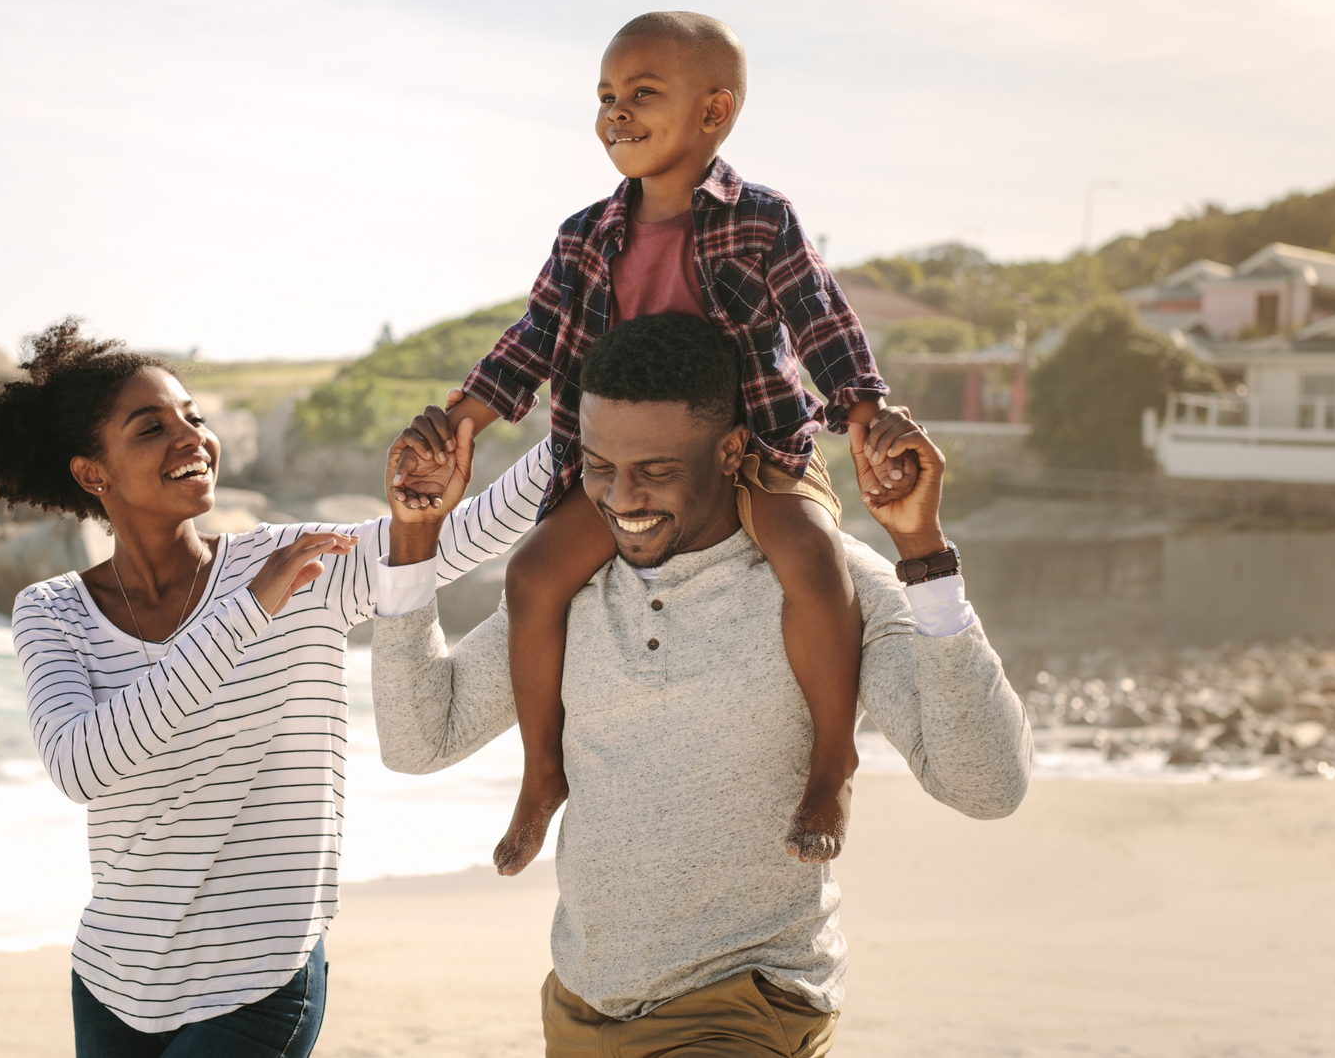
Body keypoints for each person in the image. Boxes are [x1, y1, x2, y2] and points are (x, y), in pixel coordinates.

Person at [371, 313, 1031, 1056]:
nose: (621, 497)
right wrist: (414, 541)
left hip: (746, 1004)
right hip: (583, 1002)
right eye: (598, 466)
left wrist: (921, 549)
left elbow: (988, 785)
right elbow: (417, 741)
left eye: (655, 470)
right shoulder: (570, 592)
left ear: (729, 450)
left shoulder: (830, 589)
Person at [391, 10, 926, 876]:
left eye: (643, 94)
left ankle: (833, 765)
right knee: (530, 576)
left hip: (752, 448)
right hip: (623, 469)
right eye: (605, 96)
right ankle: (540, 774)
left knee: (815, 562)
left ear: (715, 113)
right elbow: (532, 337)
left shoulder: (759, 220)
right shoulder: (584, 234)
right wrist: (466, 415)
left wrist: (863, 410)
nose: (616, 113)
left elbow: (820, 319)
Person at [0, 318, 551, 1057]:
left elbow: (464, 531)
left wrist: (596, 419)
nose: (192, 439)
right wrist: (248, 612)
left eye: (194, 418)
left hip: (259, 978)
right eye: (151, 428)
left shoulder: (295, 561)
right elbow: (85, 765)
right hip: (115, 982)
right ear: (93, 473)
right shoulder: (53, 612)